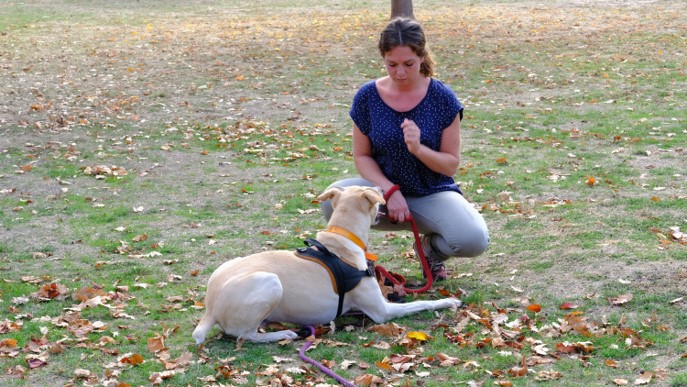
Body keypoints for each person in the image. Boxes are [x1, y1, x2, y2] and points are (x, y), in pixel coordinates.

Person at [320, 17, 489, 281]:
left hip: (430, 191)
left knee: (473, 239)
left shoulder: (442, 98)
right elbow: (362, 156)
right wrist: (389, 190)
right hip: (383, 192)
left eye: (408, 64)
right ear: (383, 59)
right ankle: (356, 265)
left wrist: (419, 148)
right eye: (392, 65)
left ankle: (429, 252)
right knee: (334, 201)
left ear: (421, 57)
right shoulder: (367, 96)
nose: (400, 73)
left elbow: (450, 164)